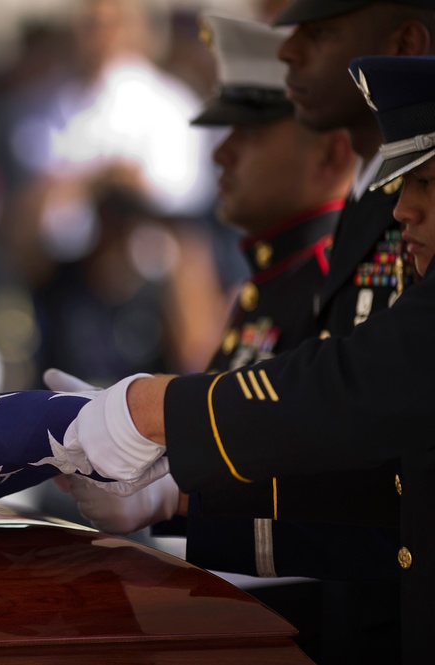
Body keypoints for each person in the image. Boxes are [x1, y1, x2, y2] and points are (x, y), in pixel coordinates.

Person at [53, 54, 435, 664]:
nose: (221, 155)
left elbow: (347, 414)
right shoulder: (270, 283)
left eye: (250, 134)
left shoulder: (346, 279)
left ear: (329, 156)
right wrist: (177, 493)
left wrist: (155, 417)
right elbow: (381, 500)